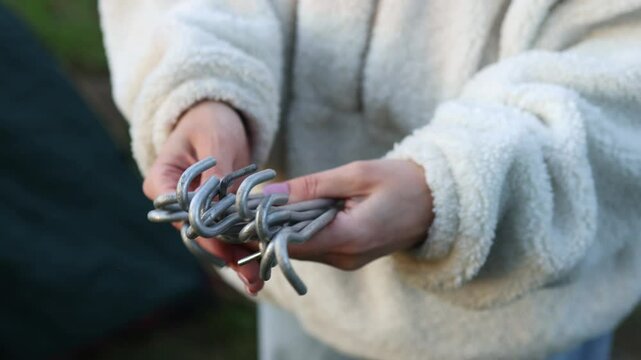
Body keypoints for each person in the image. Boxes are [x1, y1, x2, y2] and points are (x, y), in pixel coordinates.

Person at [98, 1, 641, 359]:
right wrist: (202, 82)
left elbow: (624, 71)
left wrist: (452, 189)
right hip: (305, 300)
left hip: (522, 323)